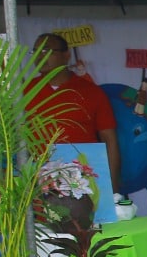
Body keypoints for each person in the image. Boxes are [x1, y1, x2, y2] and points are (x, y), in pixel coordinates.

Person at [26, 33, 121, 193]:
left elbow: (109, 140)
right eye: (35, 51)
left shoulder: (91, 92)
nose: (40, 56)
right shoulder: (25, 91)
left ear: (66, 55)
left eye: (46, 51)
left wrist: (111, 184)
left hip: (82, 182)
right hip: (38, 184)